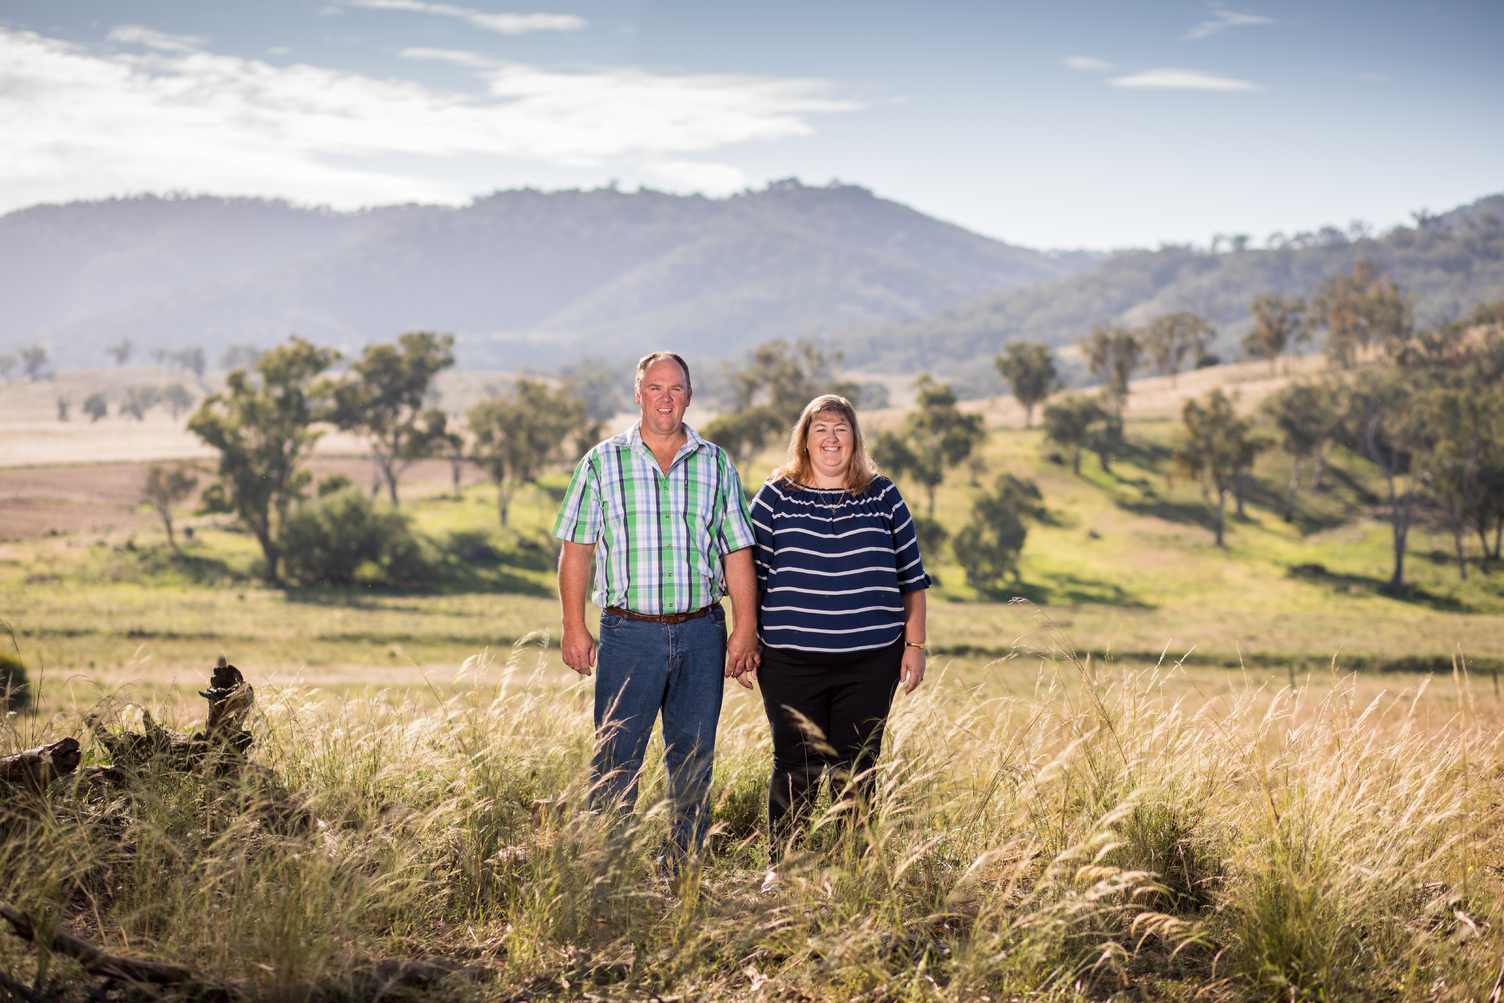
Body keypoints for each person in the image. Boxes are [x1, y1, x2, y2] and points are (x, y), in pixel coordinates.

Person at [553, 351, 760, 863]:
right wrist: (573, 627)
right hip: (628, 634)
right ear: (638, 393)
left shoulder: (715, 463)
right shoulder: (602, 462)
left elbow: (738, 551)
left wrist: (744, 628)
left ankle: (682, 877)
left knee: (693, 763)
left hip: (701, 633)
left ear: (688, 396)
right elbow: (576, 549)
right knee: (616, 760)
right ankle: (609, 875)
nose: (665, 398)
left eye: (676, 389)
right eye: (655, 388)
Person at [741, 393, 929, 856]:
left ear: (855, 439)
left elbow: (913, 576)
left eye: (840, 429)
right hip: (789, 662)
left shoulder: (882, 494)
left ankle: (851, 872)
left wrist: (915, 645)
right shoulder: (774, 496)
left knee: (858, 764)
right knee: (795, 763)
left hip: (870, 662)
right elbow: (748, 576)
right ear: (804, 439)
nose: (831, 438)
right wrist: (744, 637)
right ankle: (785, 866)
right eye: (820, 429)